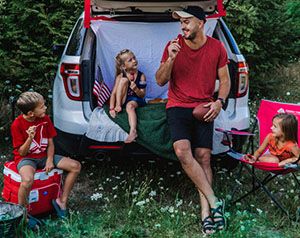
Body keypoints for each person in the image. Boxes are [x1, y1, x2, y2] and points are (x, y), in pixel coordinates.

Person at [155, 6, 230, 235]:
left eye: (187, 22)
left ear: (201, 23)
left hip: (204, 106)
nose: (183, 26)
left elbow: (225, 80)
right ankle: (216, 202)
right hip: (177, 105)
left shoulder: (217, 48)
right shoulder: (173, 46)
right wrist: (171, 58)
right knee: (182, 150)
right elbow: (159, 81)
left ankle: (206, 214)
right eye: (181, 23)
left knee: (204, 157)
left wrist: (219, 102)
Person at [11, 91, 81, 225]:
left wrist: (49, 160)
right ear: (31, 113)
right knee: (27, 180)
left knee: (75, 166)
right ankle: (23, 214)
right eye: (42, 107)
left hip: (44, 155)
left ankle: (62, 202)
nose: (45, 108)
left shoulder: (45, 119)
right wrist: (30, 138)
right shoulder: (17, 124)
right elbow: (22, 152)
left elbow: (50, 143)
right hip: (27, 159)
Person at [109, 49, 147, 143]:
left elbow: (142, 95)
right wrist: (111, 108)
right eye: (130, 60)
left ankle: (133, 131)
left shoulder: (141, 76)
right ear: (123, 66)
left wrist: (136, 89)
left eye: (134, 58)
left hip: (136, 99)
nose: (134, 60)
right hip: (123, 99)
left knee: (129, 106)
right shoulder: (121, 75)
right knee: (123, 80)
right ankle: (118, 105)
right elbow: (113, 93)